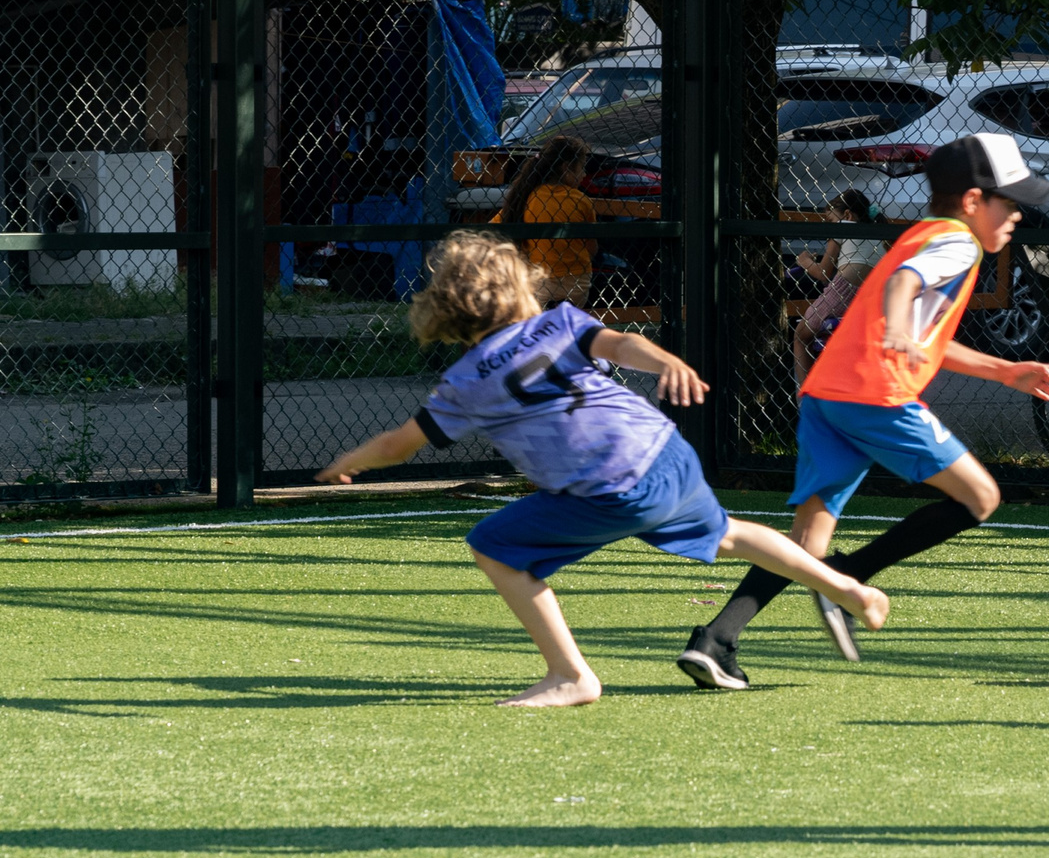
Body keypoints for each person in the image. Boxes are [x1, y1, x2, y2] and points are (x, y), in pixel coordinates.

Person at [313, 231, 886, 708]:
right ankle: (847, 588)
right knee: (730, 534)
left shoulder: (466, 381)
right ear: (518, 285)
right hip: (664, 454)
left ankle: (570, 675)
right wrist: (667, 361)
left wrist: (351, 460)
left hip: (609, 486)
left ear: (448, 309)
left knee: (494, 547)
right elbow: (624, 343)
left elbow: (399, 446)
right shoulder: (559, 322)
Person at [679, 134, 1049, 686]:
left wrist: (1003, 370)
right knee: (980, 497)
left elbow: (927, 334)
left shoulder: (921, 235)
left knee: (807, 539)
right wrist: (900, 328)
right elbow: (905, 288)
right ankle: (850, 575)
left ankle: (716, 640)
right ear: (973, 201)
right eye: (1010, 202)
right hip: (874, 395)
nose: (1018, 214)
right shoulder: (958, 243)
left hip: (828, 395)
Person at [795, 188, 886, 387]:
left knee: (801, 335)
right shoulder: (878, 233)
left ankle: (807, 393)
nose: (830, 225)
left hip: (844, 291)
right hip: (872, 299)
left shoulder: (843, 226)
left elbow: (824, 273)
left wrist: (805, 262)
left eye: (830, 219)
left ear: (847, 215)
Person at [494, 135, 597, 307]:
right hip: (577, 282)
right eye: (582, 167)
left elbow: (494, 227)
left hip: (538, 281)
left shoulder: (526, 195)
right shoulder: (581, 200)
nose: (584, 174)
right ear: (566, 168)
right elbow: (592, 248)